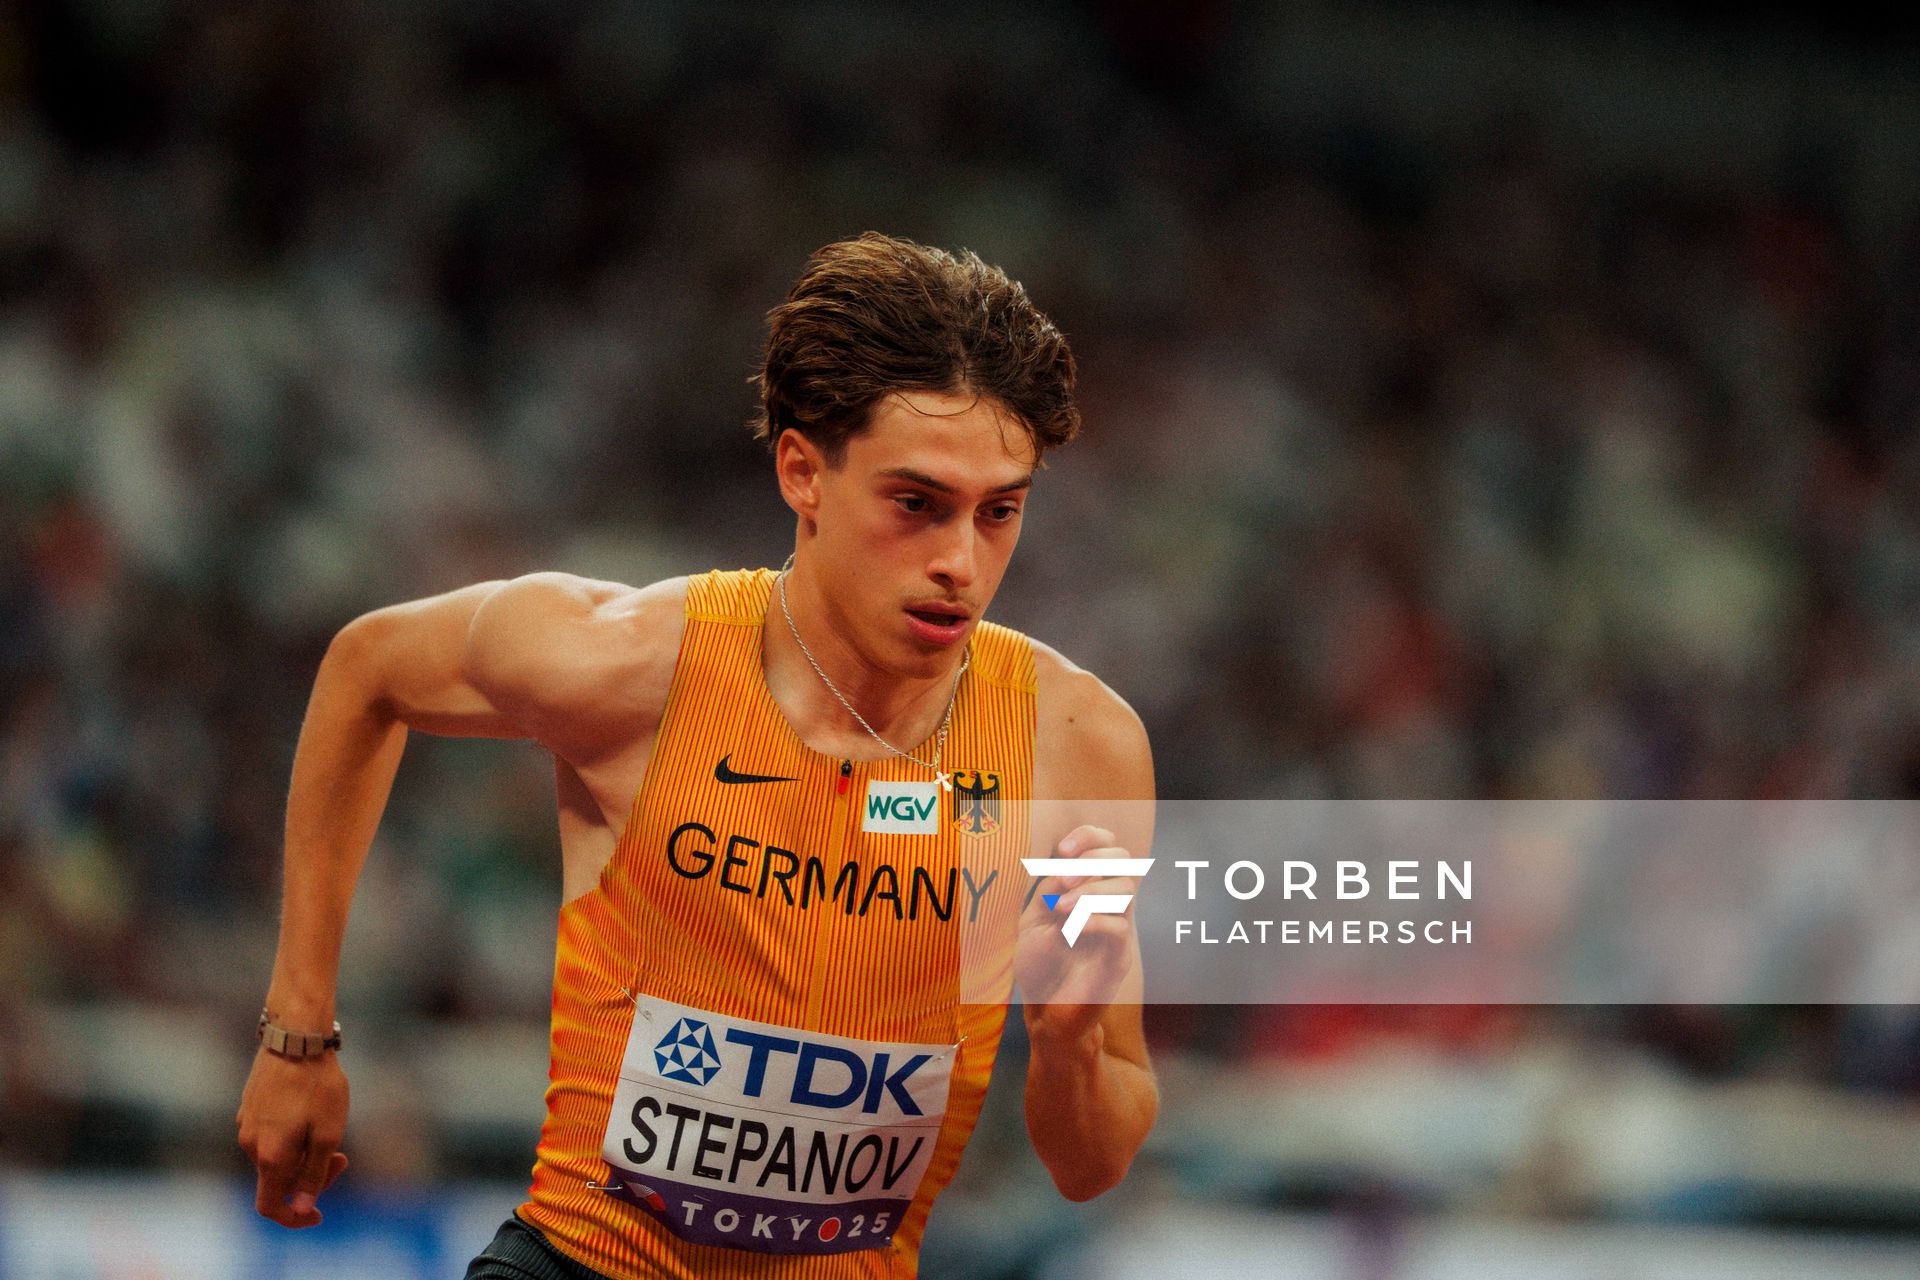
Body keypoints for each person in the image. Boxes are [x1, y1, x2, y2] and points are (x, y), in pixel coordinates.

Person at [236, 231, 1158, 1278]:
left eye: (1000, 512)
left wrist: (1074, 1041)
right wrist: (297, 1033)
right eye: (917, 504)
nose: (961, 561)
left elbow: (1091, 1165)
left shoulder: (1076, 750)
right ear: (803, 472)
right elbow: (367, 669)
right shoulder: (633, 665)